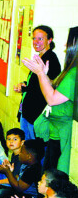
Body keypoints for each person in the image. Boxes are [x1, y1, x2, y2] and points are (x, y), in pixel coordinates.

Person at [22, 40, 76, 174]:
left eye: (69, 42)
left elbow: (52, 99)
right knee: (47, 173)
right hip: (55, 132)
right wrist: (44, 75)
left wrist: (40, 74)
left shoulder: (75, 72)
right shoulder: (71, 69)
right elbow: (58, 89)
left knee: (53, 177)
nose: (65, 45)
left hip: (62, 134)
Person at [15, 25, 62, 140]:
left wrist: (28, 87)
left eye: (40, 39)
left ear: (49, 40)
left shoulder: (51, 59)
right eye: (34, 38)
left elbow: (52, 86)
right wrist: (24, 85)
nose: (36, 42)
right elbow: (36, 83)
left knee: (34, 153)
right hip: (27, 112)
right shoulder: (40, 57)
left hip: (36, 115)